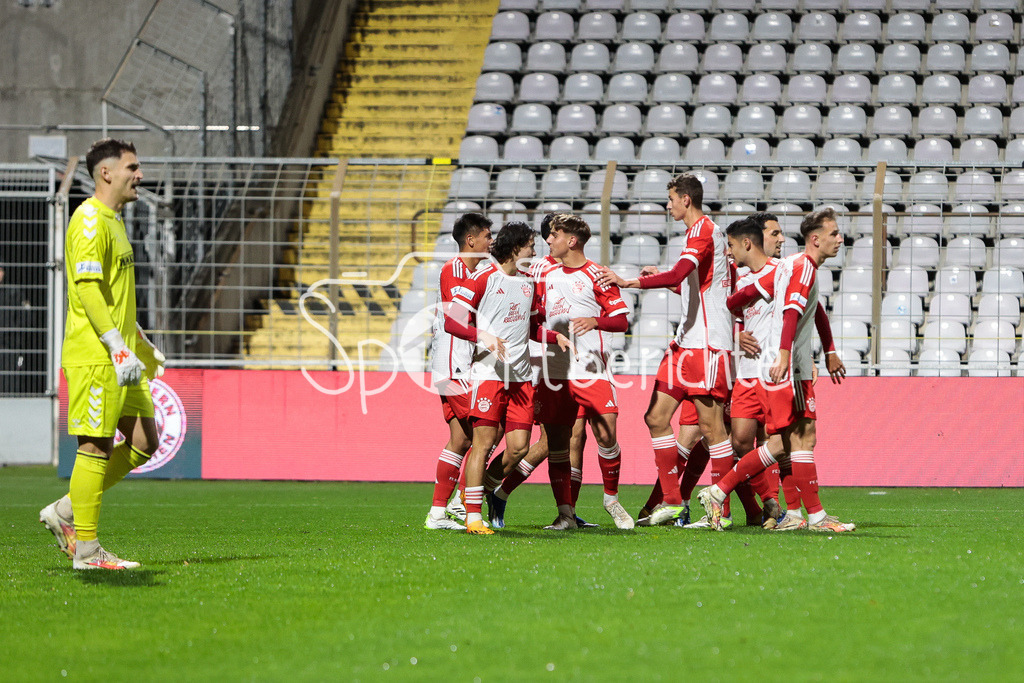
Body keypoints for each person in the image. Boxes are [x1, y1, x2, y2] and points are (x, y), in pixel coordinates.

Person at [38, 138, 167, 569]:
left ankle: (66, 510)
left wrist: (140, 344)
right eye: (133, 166)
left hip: (122, 356)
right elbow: (88, 290)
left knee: (146, 441)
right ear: (106, 173)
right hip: (96, 355)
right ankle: (88, 552)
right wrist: (115, 346)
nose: (140, 174)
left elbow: (114, 293)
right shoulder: (89, 220)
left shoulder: (113, 221)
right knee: (95, 446)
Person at [698, 208, 854, 533]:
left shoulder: (788, 265)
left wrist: (826, 350)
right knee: (799, 438)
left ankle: (788, 511)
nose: (840, 239)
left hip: (775, 366)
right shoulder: (805, 267)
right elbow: (791, 311)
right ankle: (813, 517)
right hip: (787, 367)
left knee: (785, 442)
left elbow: (746, 295)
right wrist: (784, 354)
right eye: (834, 234)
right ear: (816, 239)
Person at [596, 173, 735, 527]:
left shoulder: (704, 229)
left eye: (670, 198)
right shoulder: (697, 233)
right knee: (656, 418)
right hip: (686, 343)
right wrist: (665, 275)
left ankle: (721, 511)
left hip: (707, 344)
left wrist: (632, 282)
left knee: (711, 426)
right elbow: (691, 286)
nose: (668, 205)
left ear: (685, 199)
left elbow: (678, 277)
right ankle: (673, 502)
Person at [444, 221, 572, 534]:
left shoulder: (529, 282)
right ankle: (473, 516)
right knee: (483, 445)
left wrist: (554, 337)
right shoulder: (482, 277)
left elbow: (531, 329)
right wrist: (481, 335)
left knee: (518, 448)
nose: (535, 250)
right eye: (531, 244)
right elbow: (452, 321)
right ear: (516, 247)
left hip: (521, 376)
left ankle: (476, 490)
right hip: (489, 373)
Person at [529, 213, 633, 529]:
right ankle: (566, 514)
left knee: (606, 434)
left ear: (571, 240)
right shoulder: (540, 270)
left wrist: (595, 321)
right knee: (564, 442)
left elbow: (621, 320)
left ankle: (611, 498)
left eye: (554, 235)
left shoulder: (597, 275)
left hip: (592, 368)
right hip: (557, 370)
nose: (548, 240)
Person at [423, 213, 493, 530]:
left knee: (462, 439)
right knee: (487, 431)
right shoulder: (455, 268)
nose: (491, 241)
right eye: (487, 236)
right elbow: (456, 318)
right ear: (471, 240)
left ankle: (439, 514)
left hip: (455, 364)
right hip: (456, 364)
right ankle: (461, 504)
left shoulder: (478, 270)